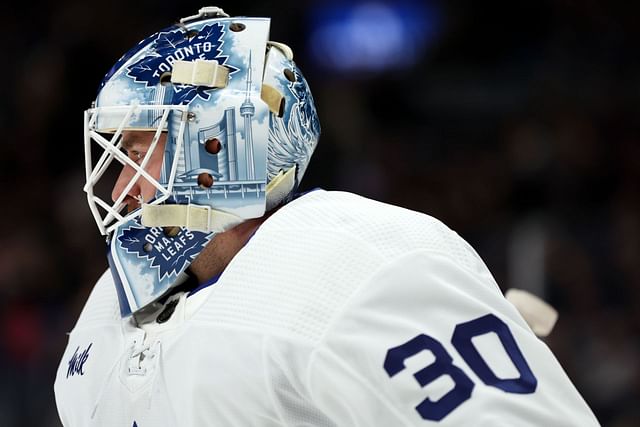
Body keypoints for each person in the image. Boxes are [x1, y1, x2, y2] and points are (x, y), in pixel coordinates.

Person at [54, 6, 600, 426]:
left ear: (220, 149)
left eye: (141, 152)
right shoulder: (104, 315)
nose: (121, 189)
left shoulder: (357, 261)